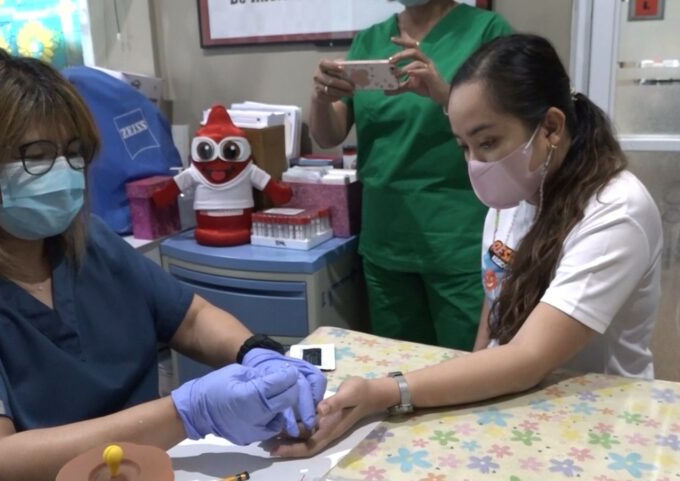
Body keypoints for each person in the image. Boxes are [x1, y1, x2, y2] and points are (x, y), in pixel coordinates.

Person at [0, 48, 326, 481]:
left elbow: (190, 317)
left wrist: (257, 353)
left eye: (74, 153)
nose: (64, 172)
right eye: (36, 156)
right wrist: (189, 412)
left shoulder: (88, 243)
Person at [274, 33, 662, 457]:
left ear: (550, 127)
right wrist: (475, 376)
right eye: (464, 146)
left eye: (488, 142)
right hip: (518, 405)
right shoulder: (516, 191)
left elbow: (528, 358)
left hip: (599, 421)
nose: (476, 164)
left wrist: (385, 392)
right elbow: (496, 303)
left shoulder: (616, 211)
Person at [310, 0, 512, 350]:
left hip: (458, 241)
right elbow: (329, 134)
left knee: (466, 369)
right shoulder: (370, 41)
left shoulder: (487, 33)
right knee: (397, 367)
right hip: (386, 242)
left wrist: (443, 93)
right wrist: (321, 97)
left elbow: (507, 126)